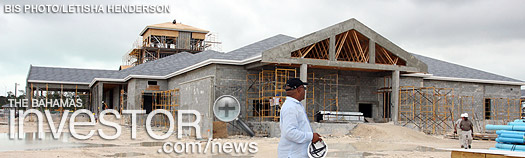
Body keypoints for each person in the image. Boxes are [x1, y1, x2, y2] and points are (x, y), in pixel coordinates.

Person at [278, 78, 322, 158]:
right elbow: (290, 132)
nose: (305, 92)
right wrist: (311, 136)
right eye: (304, 89)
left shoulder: (295, 105)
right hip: (292, 155)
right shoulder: (290, 107)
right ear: (299, 89)